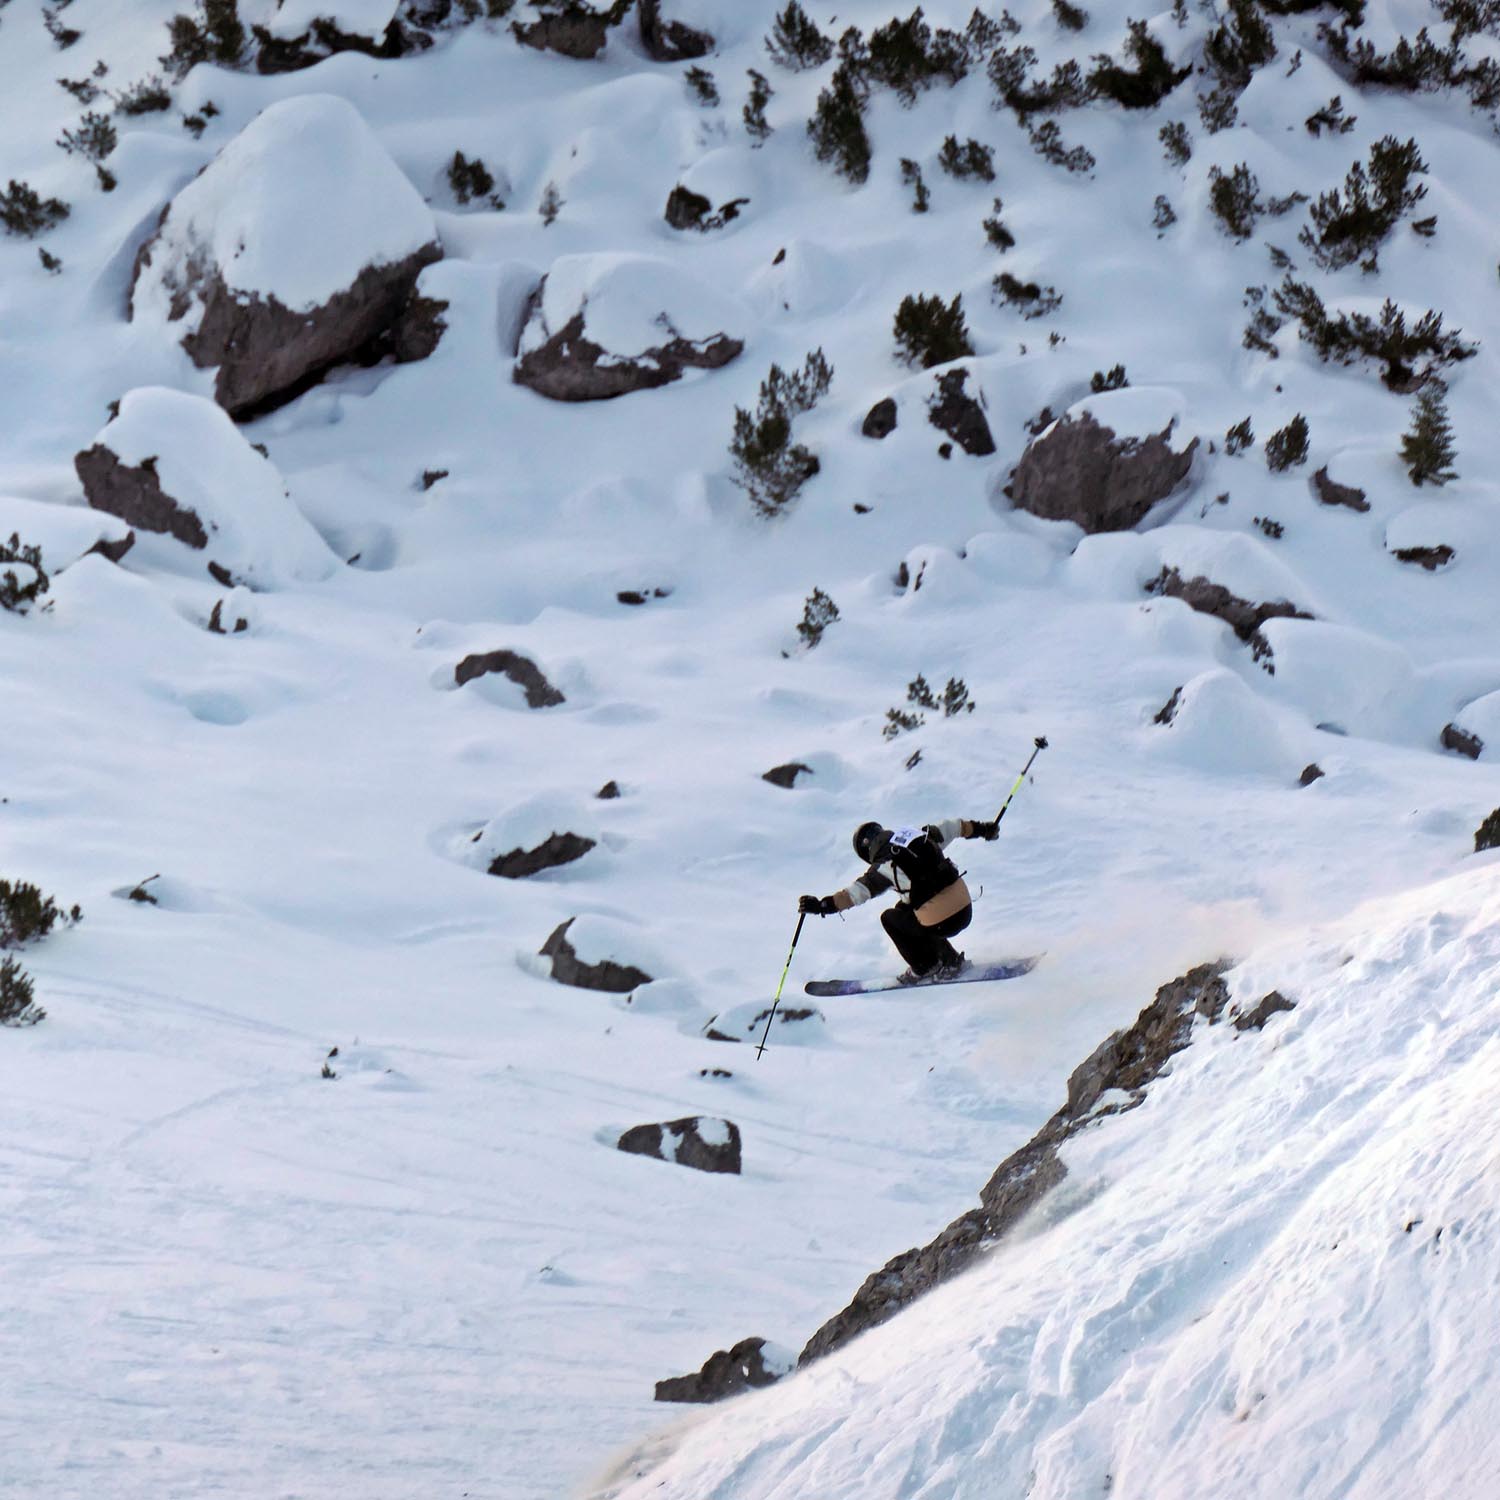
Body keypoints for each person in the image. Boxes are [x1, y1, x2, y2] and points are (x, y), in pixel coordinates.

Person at [799, 817, 999, 983]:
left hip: (942, 922)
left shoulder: (883, 867)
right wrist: (984, 829)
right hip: (965, 909)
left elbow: (851, 895)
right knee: (906, 909)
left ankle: (925, 967)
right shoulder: (921, 835)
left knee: (890, 918)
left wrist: (820, 906)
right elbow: (956, 827)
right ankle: (951, 961)